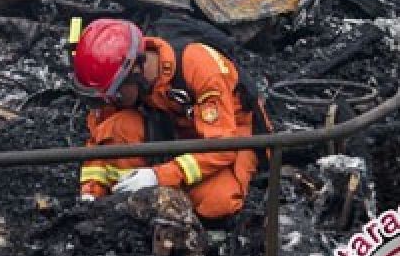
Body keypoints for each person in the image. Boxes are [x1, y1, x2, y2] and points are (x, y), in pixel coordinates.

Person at [70, 18, 268, 219]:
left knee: (217, 201)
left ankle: (167, 199)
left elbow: (223, 147)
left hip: (230, 130)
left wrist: (159, 176)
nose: (110, 102)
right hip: (174, 124)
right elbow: (100, 137)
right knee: (118, 128)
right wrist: (90, 195)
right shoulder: (120, 79)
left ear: (136, 72)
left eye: (114, 95)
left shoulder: (199, 66)